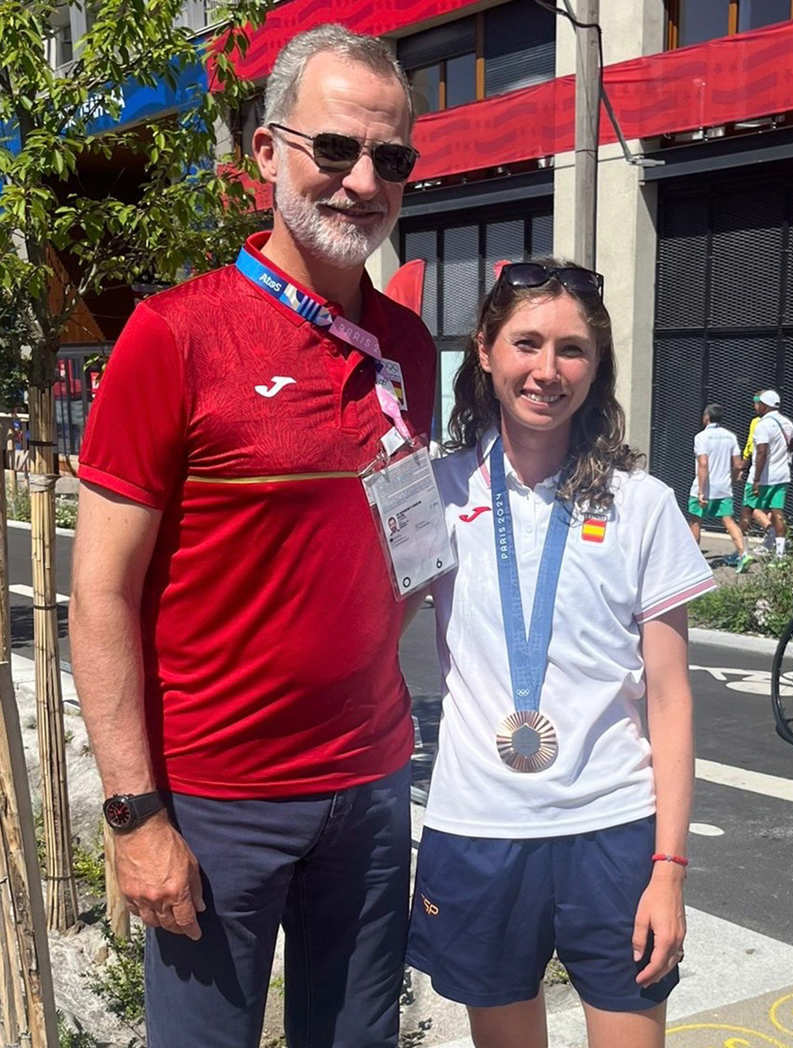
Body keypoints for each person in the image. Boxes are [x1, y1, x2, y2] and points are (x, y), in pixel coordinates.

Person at [69, 24, 435, 1048]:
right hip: (217, 798)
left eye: (389, 158)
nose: (362, 181)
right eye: (334, 149)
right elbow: (98, 592)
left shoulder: (405, 345)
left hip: (367, 787)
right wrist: (136, 817)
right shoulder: (174, 335)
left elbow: (402, 544)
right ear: (266, 154)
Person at [406, 260, 715, 1048]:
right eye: (528, 343)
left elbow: (671, 699)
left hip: (613, 830)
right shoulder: (438, 492)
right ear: (485, 349)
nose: (548, 370)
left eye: (573, 350)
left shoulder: (643, 505)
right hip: (478, 827)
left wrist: (669, 869)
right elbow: (362, 628)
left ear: (597, 364)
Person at [687, 403, 750, 572]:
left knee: (695, 521)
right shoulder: (730, 436)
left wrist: (701, 491)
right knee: (728, 520)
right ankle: (743, 554)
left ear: (706, 417)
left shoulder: (701, 437)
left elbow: (703, 463)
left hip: (705, 487)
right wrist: (735, 475)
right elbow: (738, 464)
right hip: (723, 487)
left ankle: (694, 561)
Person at [742, 389, 793, 559]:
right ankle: (779, 554)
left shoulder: (762, 425)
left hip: (763, 477)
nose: (755, 406)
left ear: (765, 406)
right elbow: (791, 447)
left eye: (757, 403)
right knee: (777, 512)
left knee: (747, 510)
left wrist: (757, 479)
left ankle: (742, 552)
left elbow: (762, 452)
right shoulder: (788, 423)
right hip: (782, 476)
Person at [738, 391, 774, 554]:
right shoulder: (777, 423)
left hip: (758, 472)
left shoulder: (757, 422)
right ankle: (770, 541)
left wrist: (742, 466)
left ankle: (771, 531)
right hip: (775, 472)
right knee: (768, 507)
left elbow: (751, 446)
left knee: (750, 507)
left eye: (756, 402)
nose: (754, 405)